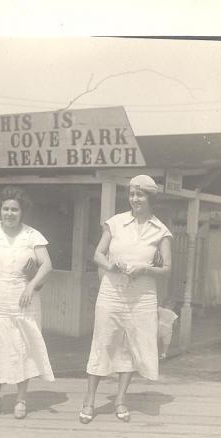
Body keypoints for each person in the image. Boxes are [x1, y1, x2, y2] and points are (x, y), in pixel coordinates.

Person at [80, 174, 172, 424]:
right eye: (132, 194)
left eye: (140, 194)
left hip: (142, 297)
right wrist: (112, 265)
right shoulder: (116, 223)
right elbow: (98, 254)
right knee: (103, 343)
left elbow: (166, 269)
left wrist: (145, 269)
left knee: (131, 346)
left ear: (150, 197)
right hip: (112, 292)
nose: (134, 199)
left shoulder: (160, 230)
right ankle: (89, 401)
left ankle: (120, 400)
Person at [0, 186, 54, 420]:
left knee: (22, 347)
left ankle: (21, 399)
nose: (9, 213)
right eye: (5, 208)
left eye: (14, 209)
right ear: (0, 210)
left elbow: (47, 265)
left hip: (23, 299)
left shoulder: (32, 235)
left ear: (21, 212)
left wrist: (31, 285)